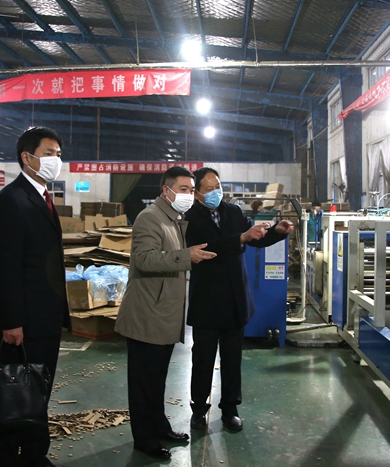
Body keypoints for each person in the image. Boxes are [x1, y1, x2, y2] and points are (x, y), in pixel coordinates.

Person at [114, 166, 217, 460]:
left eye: (191, 190)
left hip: (163, 313)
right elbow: (144, 259)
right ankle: (144, 439)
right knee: (143, 383)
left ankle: (159, 427)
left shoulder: (174, 219)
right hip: (147, 314)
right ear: (166, 190)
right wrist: (187, 256)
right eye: (183, 189)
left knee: (157, 379)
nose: (189, 195)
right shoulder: (150, 218)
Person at [185, 167, 293, 432]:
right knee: (203, 359)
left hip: (235, 299)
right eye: (209, 188)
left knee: (232, 359)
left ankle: (230, 409)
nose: (216, 192)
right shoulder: (189, 218)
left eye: (218, 186)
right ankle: (199, 409)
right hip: (207, 300)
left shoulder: (233, 212)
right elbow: (206, 248)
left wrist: (277, 232)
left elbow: (255, 239)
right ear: (197, 193)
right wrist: (241, 238)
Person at [0, 126, 70, 467]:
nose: (56, 160)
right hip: (22, 323)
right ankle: (7, 459)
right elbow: (4, 266)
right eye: (49, 153)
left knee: (38, 390)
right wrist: (12, 322)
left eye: (58, 154)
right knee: (14, 395)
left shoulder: (43, 198)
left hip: (45, 318)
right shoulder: (11, 200)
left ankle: (35, 455)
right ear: (27, 157)